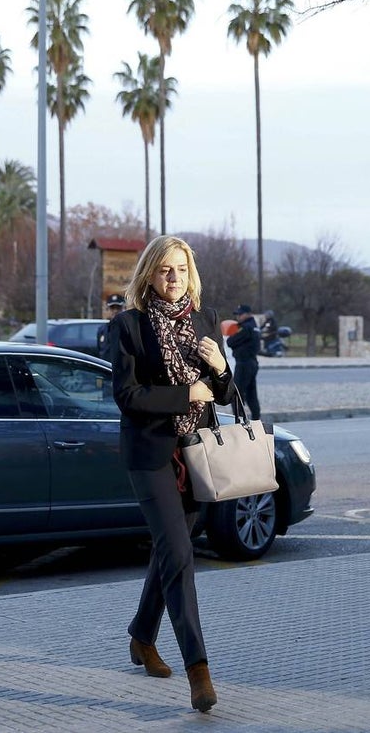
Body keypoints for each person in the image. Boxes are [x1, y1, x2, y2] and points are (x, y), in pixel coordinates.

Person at [108, 235, 231, 713]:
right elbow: (128, 396)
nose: (173, 277)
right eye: (164, 270)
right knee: (179, 554)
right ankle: (198, 670)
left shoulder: (203, 320)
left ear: (190, 275)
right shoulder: (129, 326)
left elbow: (221, 393)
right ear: (149, 276)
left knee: (170, 553)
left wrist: (220, 369)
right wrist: (188, 396)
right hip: (151, 454)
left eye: (180, 269)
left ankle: (142, 636)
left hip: (197, 453)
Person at [225, 303, 262, 421]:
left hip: (244, 363)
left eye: (240, 314)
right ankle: (256, 419)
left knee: (237, 393)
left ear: (247, 314)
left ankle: (239, 420)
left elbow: (230, 341)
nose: (238, 317)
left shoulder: (245, 327)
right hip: (252, 362)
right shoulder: (254, 326)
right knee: (251, 394)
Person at [96, 293, 125, 362]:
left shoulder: (129, 329)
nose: (115, 311)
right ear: (108, 309)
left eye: (118, 308)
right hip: (105, 369)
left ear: (123, 309)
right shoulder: (102, 330)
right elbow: (100, 351)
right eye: (112, 308)